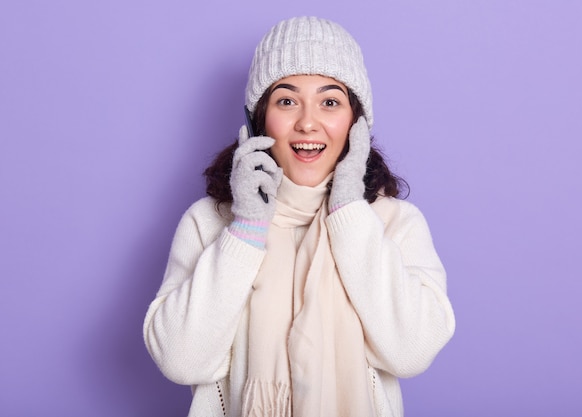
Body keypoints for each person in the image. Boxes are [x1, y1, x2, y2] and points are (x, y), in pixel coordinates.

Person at [143, 16, 455, 417]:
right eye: (287, 101)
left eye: (330, 102)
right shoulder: (208, 223)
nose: (308, 122)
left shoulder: (395, 223)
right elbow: (181, 359)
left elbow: (412, 350)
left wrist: (348, 212)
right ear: (258, 119)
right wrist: (247, 229)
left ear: (356, 123)